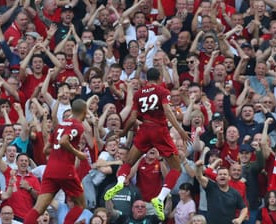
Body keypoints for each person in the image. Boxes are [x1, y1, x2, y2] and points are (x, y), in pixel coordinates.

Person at [104, 67, 189, 220]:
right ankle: (160, 197)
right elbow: (168, 112)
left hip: (144, 129)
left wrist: (123, 132)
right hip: (159, 130)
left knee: (128, 162)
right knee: (176, 168)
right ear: (159, 77)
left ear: (146, 79)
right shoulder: (162, 91)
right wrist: (180, 130)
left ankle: (120, 181)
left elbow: (132, 118)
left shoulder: (138, 94)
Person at [24, 99, 88, 224]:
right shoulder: (78, 126)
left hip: (50, 169)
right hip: (65, 169)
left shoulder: (61, 125)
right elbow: (64, 141)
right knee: (80, 205)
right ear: (84, 112)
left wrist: (58, 152)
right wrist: (78, 153)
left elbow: (46, 149)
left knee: (39, 207)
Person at [195, 160, 248, 224]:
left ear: (229, 178)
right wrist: (198, 167)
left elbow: (244, 208)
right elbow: (199, 177)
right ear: (216, 178)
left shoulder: (235, 193)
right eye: (220, 174)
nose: (222, 176)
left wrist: (240, 219)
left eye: (225, 174)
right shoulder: (210, 187)